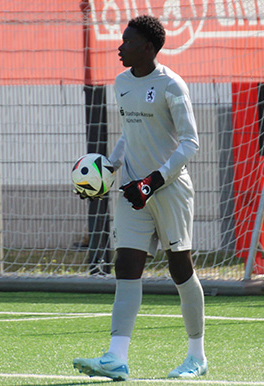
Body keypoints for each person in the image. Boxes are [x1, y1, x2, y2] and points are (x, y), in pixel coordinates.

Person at [72, 15, 206, 381]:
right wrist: (108, 169)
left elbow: (190, 142)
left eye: (127, 42)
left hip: (170, 189)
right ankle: (116, 357)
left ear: (147, 48)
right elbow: (130, 132)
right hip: (133, 191)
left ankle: (196, 356)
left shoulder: (171, 86)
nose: (119, 47)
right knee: (126, 268)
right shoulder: (120, 83)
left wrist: (154, 180)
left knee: (181, 270)